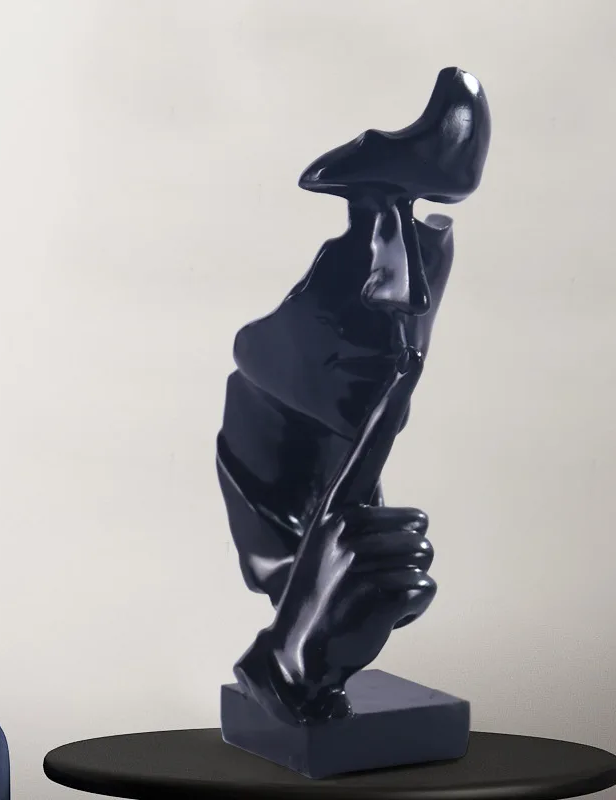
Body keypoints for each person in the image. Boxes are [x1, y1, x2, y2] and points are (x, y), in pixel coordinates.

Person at [216, 67, 491, 724]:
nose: (409, 296)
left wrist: (299, 651)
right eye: (367, 231)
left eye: (424, 235)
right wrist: (292, 655)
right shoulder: (280, 422)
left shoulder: (339, 501)